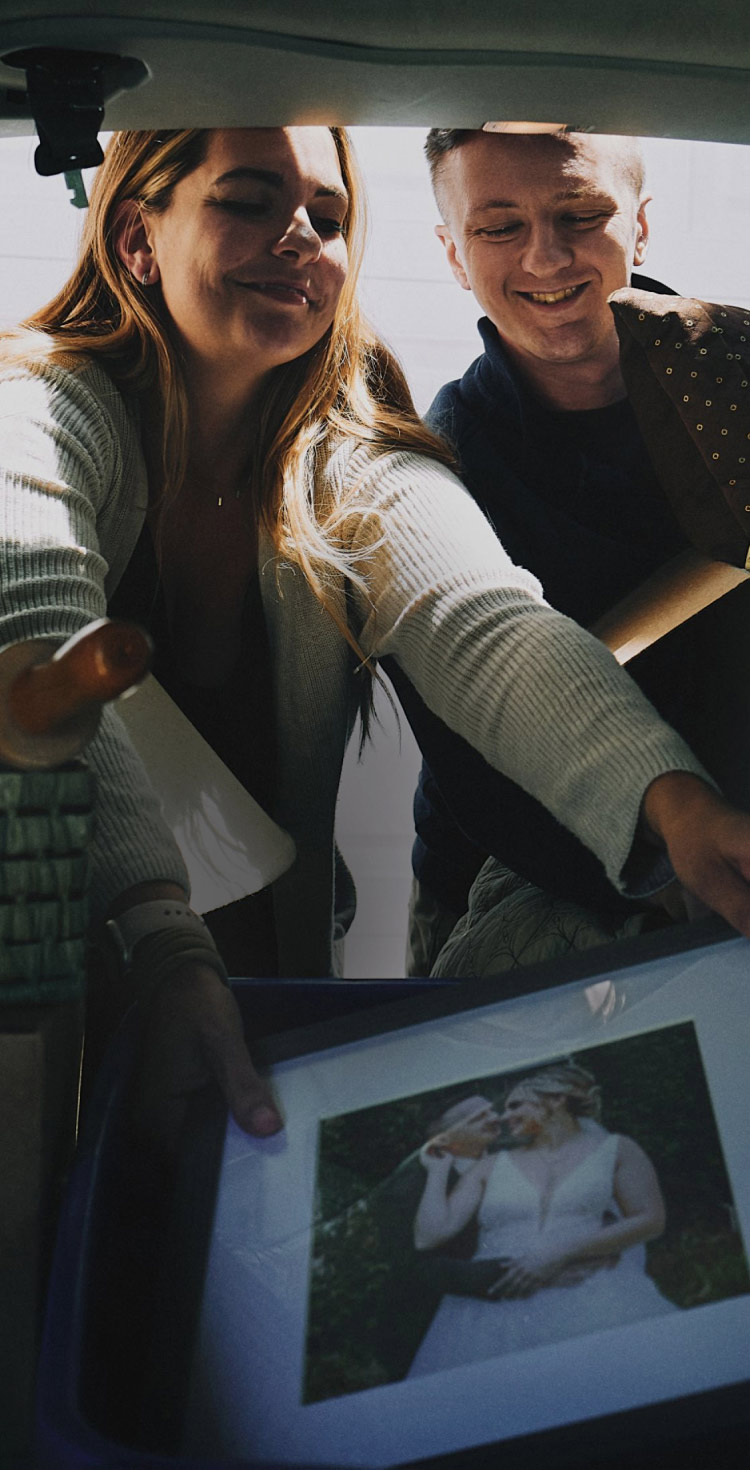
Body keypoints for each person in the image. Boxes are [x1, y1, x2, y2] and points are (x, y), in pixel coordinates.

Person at [2, 126, 750, 1141]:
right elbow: (37, 621)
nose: (300, 238)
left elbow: (490, 627)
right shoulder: (35, 406)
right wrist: (166, 944)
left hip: (260, 950)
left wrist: (677, 806)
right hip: (51, 943)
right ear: (137, 237)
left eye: (329, 216)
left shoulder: (347, 457)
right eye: (249, 201)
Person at [387, 127, 735, 976]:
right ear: (452, 253)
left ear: (641, 227)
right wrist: (668, 886)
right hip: (511, 867)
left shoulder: (736, 377)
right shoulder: (436, 464)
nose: (546, 257)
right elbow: (481, 762)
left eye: (581, 213)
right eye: (498, 227)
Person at [408, 1061, 675, 1376]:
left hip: (592, 1295)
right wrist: (437, 1172)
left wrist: (559, 1253)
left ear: (556, 1099)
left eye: (515, 1105)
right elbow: (429, 1235)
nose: (504, 1117)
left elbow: (650, 1219)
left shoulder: (617, 1149)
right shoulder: (492, 1164)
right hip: (494, 1309)